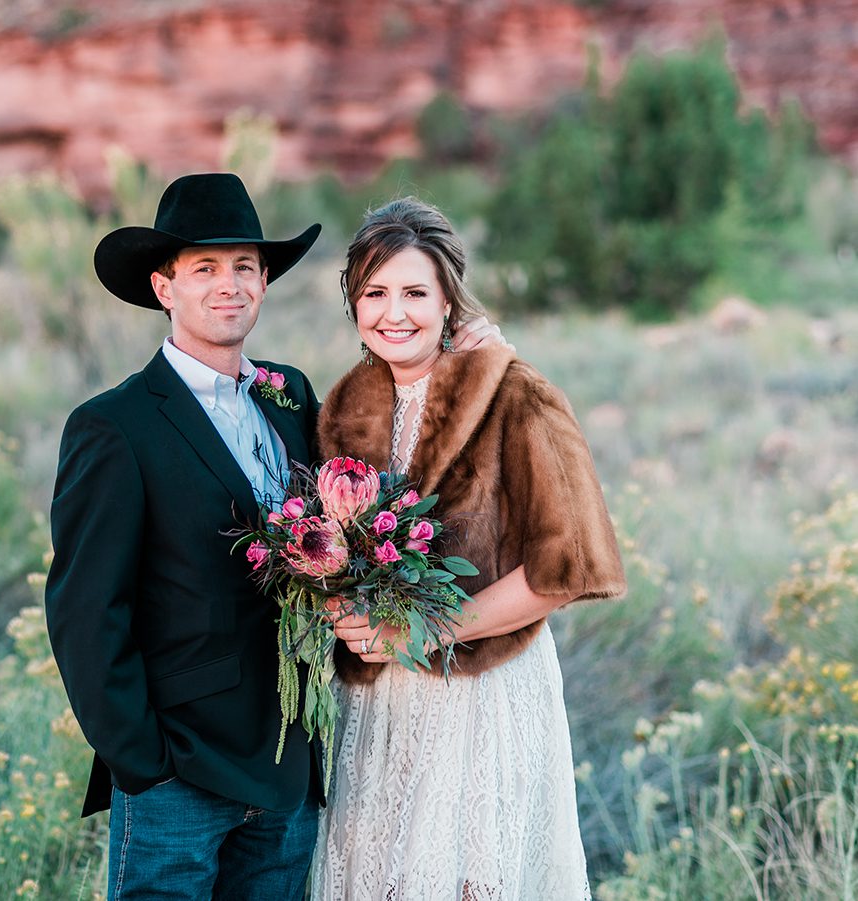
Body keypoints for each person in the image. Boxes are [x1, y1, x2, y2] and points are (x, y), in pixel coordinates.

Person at [45, 173, 508, 899]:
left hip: (290, 766)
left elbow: (378, 489)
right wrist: (145, 762)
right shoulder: (115, 426)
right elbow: (83, 614)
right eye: (205, 268)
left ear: (263, 283)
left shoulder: (288, 393)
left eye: (244, 267)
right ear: (165, 287)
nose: (228, 285)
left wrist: (458, 367)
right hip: (180, 774)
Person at [310, 197, 627, 900]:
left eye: (416, 292)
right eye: (376, 292)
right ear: (354, 303)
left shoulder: (516, 393)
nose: (395, 312)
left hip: (481, 693)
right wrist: (341, 607)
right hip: (379, 708)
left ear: (449, 298)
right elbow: (330, 552)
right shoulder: (342, 408)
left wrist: (422, 628)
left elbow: (564, 570)